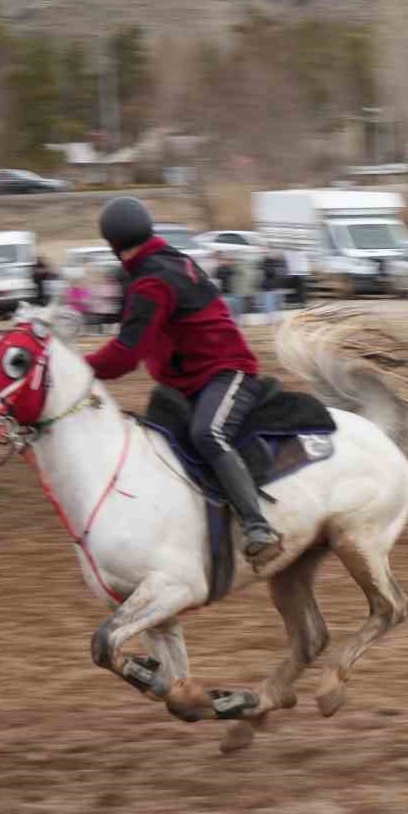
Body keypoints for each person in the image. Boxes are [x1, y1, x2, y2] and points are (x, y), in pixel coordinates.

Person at [86, 196, 282, 568]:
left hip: (227, 372)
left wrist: (80, 369)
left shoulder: (152, 282)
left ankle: (259, 527)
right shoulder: (170, 260)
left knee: (208, 433)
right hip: (188, 381)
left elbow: (126, 356)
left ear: (112, 244)